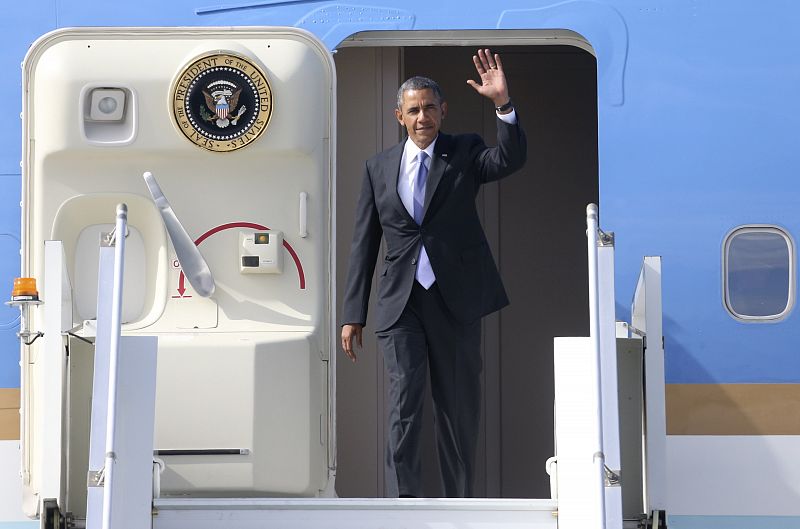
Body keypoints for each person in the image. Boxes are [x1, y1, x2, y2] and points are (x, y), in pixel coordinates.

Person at [340, 49, 527, 498]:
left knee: (457, 409)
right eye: (413, 109)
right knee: (405, 405)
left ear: (443, 111)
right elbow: (365, 243)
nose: (422, 116)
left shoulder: (464, 151)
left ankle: (458, 504)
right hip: (400, 304)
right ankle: (405, 505)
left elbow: (509, 160)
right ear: (398, 116)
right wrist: (354, 313)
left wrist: (503, 105)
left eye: (429, 108)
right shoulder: (377, 167)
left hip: (455, 301)